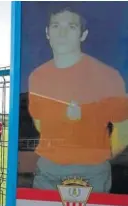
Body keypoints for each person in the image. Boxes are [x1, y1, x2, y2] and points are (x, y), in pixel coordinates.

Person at [28, 6, 128, 192]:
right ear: (47, 33)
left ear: (83, 35)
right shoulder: (38, 76)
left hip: (91, 172)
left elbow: (124, 128)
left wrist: (95, 156)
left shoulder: (107, 76)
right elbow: (40, 121)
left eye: (72, 27)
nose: (62, 33)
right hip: (48, 169)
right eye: (56, 26)